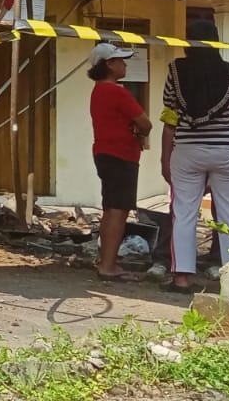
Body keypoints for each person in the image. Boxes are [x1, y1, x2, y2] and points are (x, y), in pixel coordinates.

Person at [159, 20, 229, 292]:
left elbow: (170, 107)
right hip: (226, 149)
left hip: (188, 150)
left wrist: (164, 158)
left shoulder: (176, 72)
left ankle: (181, 278)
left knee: (184, 213)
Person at [87, 43, 153, 282]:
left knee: (110, 208)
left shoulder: (98, 91)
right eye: (120, 60)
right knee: (118, 210)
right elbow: (145, 123)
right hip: (121, 154)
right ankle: (108, 265)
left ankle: (106, 259)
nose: (125, 64)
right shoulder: (117, 91)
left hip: (104, 152)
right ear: (109, 64)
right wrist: (137, 130)